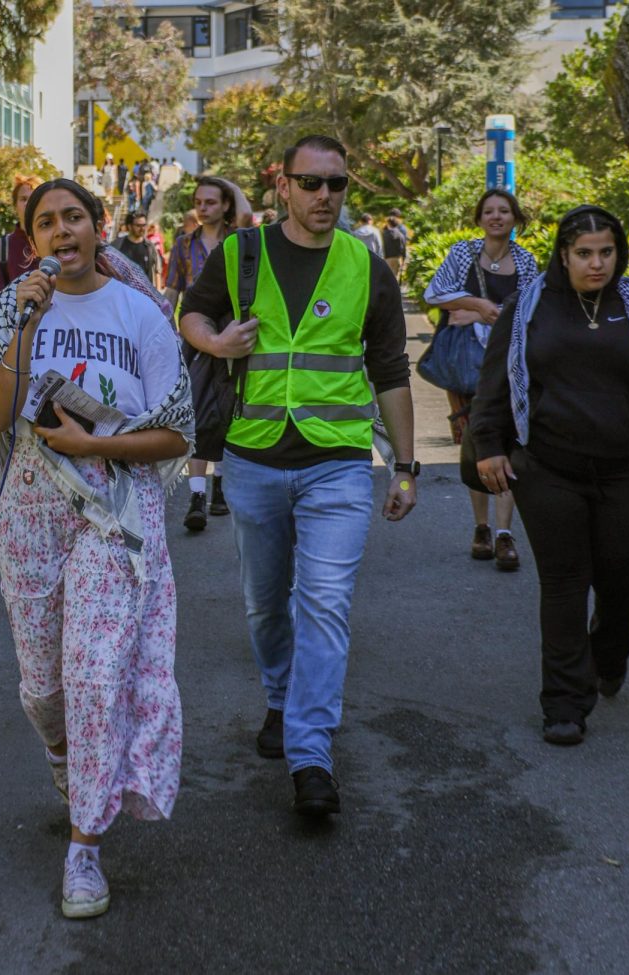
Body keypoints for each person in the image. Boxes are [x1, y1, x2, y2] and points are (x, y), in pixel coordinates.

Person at [0, 178, 194, 918]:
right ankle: (69, 761)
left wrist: (97, 440)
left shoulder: (141, 312)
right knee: (45, 688)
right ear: (30, 239)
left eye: (74, 218)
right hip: (33, 511)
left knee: (96, 675)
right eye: (46, 223)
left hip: (115, 511)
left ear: (99, 229)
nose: (61, 231)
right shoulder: (13, 307)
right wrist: (27, 328)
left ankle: (85, 848)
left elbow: (177, 433)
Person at [179, 134, 417, 816]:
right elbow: (189, 311)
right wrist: (214, 339)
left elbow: (392, 372)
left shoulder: (367, 268)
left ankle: (311, 752)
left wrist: (405, 467)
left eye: (336, 184)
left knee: (325, 602)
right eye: (310, 183)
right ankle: (282, 699)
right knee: (264, 602)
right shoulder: (240, 252)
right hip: (252, 458)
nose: (324, 196)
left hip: (338, 464)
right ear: (281, 185)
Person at [471, 205, 629, 746]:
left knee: (623, 582)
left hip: (623, 469)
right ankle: (564, 703)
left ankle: (608, 656)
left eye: (606, 252)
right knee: (565, 583)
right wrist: (488, 445)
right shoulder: (527, 307)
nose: (596, 263)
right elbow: (495, 382)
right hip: (548, 467)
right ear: (563, 254)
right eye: (584, 253)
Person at [424, 189, 539, 569]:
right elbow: (434, 293)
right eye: (488, 211)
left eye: (503, 211)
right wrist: (477, 304)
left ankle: (505, 533)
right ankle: (481, 527)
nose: (496, 217)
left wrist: (477, 313)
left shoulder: (525, 261)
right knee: (474, 444)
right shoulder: (462, 254)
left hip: (511, 365)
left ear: (515, 218)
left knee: (507, 442)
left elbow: (533, 311)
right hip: (465, 366)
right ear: (479, 219)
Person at [164, 175, 252, 532]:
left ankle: (220, 488)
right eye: (199, 202)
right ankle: (197, 495)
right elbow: (172, 290)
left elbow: (246, 215)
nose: (203, 208)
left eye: (212, 201)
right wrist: (162, 330)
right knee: (198, 412)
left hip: (232, 333)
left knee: (231, 412)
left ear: (226, 205)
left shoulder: (237, 240)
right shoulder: (183, 244)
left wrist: (227, 184)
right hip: (195, 338)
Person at [0, 174, 42, 303]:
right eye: (23, 199)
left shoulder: (56, 242)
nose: (28, 203)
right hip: (16, 321)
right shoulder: (2, 249)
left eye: (34, 198)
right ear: (15, 205)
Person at [114, 211, 158, 283]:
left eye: (144, 225)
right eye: (138, 225)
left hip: (143, 292)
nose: (142, 228)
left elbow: (157, 271)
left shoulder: (149, 247)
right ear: (129, 226)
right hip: (123, 291)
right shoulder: (117, 245)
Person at [382, 211, 408, 281]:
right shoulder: (400, 235)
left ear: (389, 224)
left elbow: (382, 246)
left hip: (387, 258)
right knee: (396, 278)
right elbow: (403, 247)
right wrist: (404, 258)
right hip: (397, 258)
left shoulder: (384, 234)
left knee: (387, 278)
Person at [146, 221, 167, 288]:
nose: (155, 231)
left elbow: (161, 246)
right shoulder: (148, 237)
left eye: (157, 229)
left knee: (159, 270)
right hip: (151, 255)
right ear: (151, 229)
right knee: (153, 270)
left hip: (159, 254)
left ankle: (160, 286)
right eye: (154, 229)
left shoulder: (159, 236)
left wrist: (163, 254)